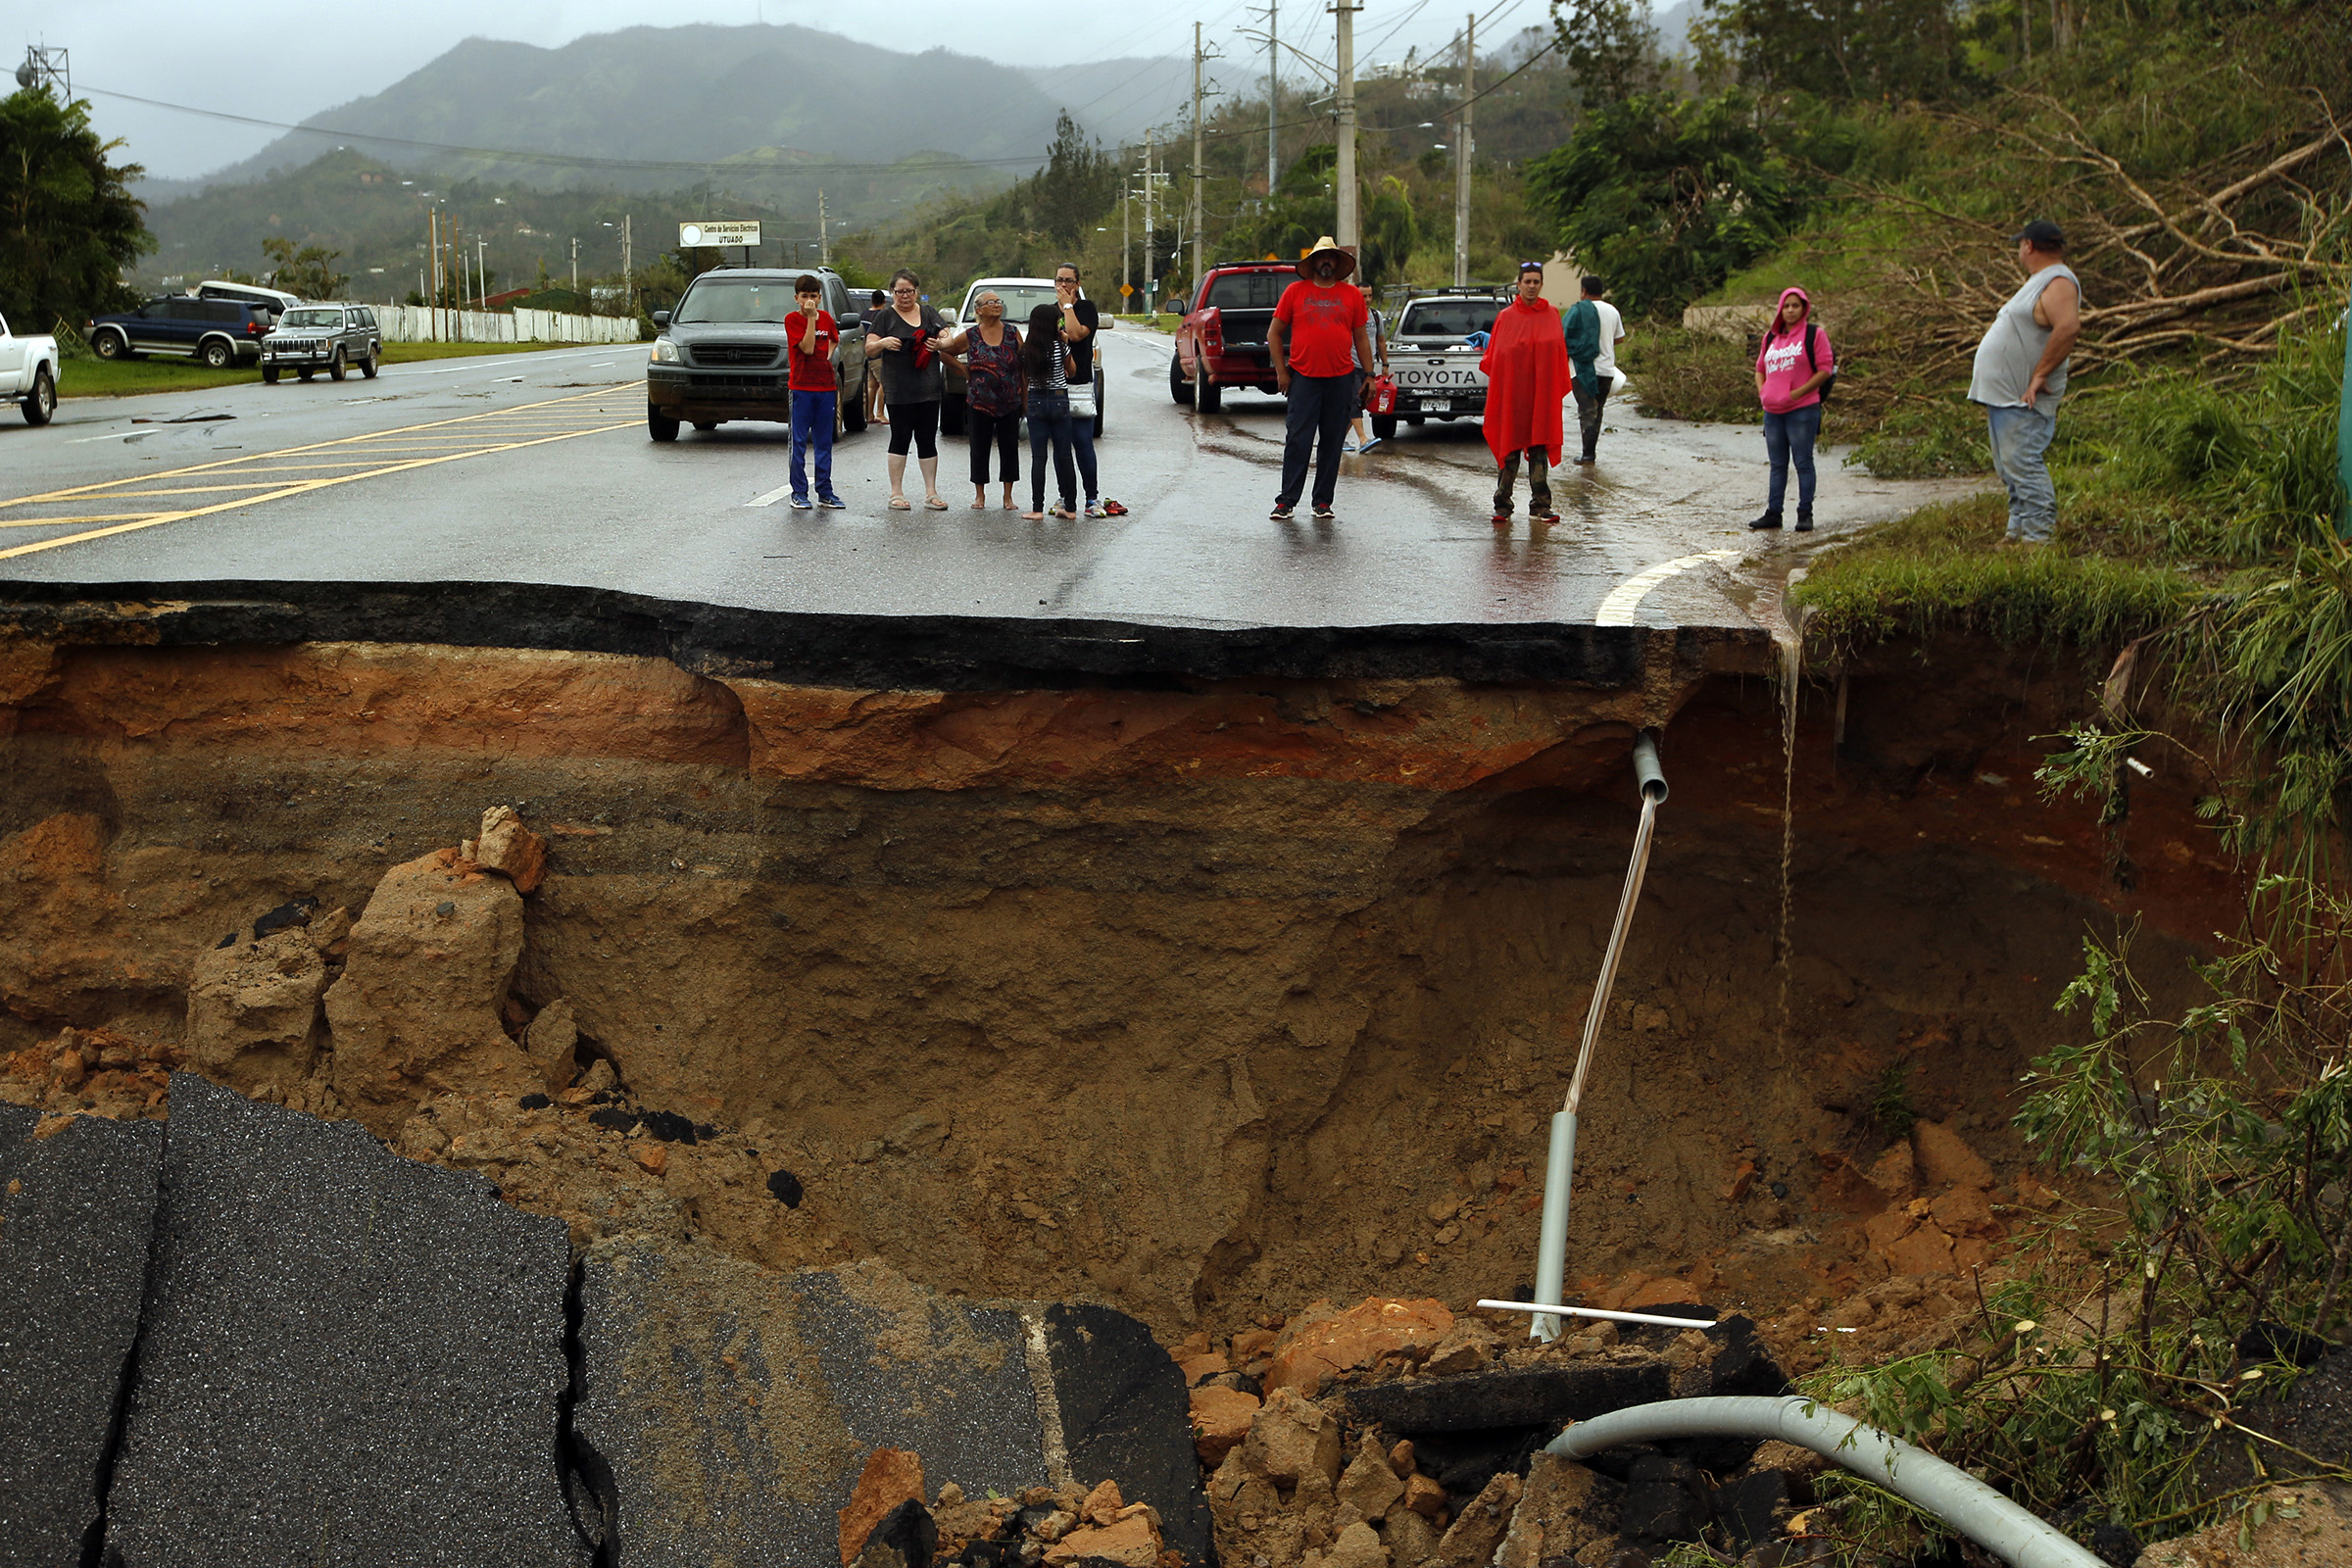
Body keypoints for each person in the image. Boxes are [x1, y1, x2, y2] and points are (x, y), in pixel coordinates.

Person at [1969, 220, 2082, 546]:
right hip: (2006, 395)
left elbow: (2069, 328)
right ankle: (2016, 531)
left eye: (2020, 244)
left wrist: (2040, 374)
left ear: (2029, 246)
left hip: (2024, 396)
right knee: (2010, 468)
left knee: (2024, 465)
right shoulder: (2041, 280)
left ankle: (2037, 538)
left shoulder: (2059, 281)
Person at [1266, 236, 1381, 521]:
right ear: (1313, 262)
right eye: (1321, 257)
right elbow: (1274, 333)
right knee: (1298, 440)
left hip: (1341, 379)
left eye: (1331, 257)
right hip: (1303, 378)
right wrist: (1282, 371)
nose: (1326, 261)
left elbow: (1362, 339)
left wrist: (1369, 375)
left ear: (1337, 263)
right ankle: (1286, 501)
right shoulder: (1295, 292)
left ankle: (1322, 503)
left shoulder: (1352, 295)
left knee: (1332, 443)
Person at [1480, 262, 1572, 526]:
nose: (1532, 286)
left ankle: (1541, 505)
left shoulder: (1552, 314)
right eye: (1527, 281)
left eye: (1536, 282)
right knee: (1509, 449)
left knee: (1539, 446)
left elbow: (1557, 356)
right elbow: (1496, 358)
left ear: (1541, 284)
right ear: (1518, 284)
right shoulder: (1506, 317)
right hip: (1513, 395)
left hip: (1540, 395)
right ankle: (1502, 504)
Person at [1747, 286, 1836, 532]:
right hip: (1773, 411)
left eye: (1795, 305)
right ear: (1780, 309)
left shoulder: (1814, 335)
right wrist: (1763, 392)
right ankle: (1773, 513)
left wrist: (1797, 393)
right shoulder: (1770, 338)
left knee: (1803, 462)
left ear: (1804, 308)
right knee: (1777, 465)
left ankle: (1804, 514)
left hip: (1802, 410)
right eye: (1786, 306)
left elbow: (1825, 370)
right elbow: (1759, 369)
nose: (1790, 310)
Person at [864, 269, 951, 511]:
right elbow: (869, 348)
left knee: (927, 439)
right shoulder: (885, 317)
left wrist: (939, 343)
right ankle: (896, 492)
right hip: (898, 389)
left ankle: (931, 493)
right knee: (900, 438)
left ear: (917, 292)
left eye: (909, 291)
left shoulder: (929, 313)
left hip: (928, 388)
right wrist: (883, 342)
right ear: (892, 292)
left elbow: (948, 338)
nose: (905, 296)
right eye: (900, 291)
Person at [1051, 263, 1125, 517]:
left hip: (1080, 384)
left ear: (1077, 284)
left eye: (1069, 280)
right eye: (1059, 280)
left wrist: (1068, 306)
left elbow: (1075, 334)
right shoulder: (1049, 312)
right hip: (1056, 386)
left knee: (1083, 442)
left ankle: (1091, 498)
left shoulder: (1086, 309)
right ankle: (1064, 497)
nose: (1063, 285)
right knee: (1060, 446)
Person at [937, 291, 1023, 510]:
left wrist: (1026, 396)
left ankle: (1008, 496)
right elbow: (945, 353)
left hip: (1009, 400)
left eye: (998, 301)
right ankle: (980, 495)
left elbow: (1024, 365)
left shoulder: (1013, 333)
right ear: (979, 310)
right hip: (979, 401)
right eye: (990, 302)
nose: (996, 305)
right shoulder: (971, 335)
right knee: (979, 447)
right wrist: (963, 370)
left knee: (1009, 447)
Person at [784, 273, 846, 510]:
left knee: (824, 442)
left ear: (820, 297)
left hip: (826, 387)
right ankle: (799, 491)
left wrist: (827, 357)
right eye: (804, 296)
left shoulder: (828, 319)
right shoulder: (792, 320)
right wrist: (810, 318)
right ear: (796, 298)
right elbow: (808, 348)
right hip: (801, 387)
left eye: (813, 296)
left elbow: (834, 339)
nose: (809, 300)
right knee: (799, 441)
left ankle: (825, 491)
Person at [1019, 303, 1080, 520]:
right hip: (1058, 399)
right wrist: (1065, 345)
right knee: (1064, 455)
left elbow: (1025, 379)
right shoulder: (1060, 346)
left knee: (1038, 457)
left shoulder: (1026, 350)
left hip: (1036, 400)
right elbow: (1072, 371)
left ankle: (1037, 509)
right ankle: (1071, 508)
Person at [1560, 275, 1624, 465]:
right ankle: (1590, 452)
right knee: (1599, 410)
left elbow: (1562, 337)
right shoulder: (1612, 311)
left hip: (1582, 370)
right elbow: (1619, 338)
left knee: (1587, 412)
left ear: (1583, 291)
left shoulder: (1577, 310)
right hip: (1607, 371)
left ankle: (1588, 454)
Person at [860, 289, 889, 426]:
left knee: (872, 384)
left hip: (867, 354)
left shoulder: (864, 314)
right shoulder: (882, 315)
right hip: (878, 354)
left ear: (872, 300)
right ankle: (880, 413)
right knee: (884, 383)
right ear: (884, 301)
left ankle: (869, 414)